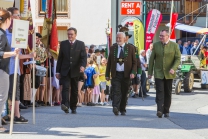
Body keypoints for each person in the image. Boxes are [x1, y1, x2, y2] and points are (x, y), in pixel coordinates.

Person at [148, 29, 181, 118]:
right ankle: (159, 110)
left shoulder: (174, 46)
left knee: (167, 92)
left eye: (162, 36)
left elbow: (178, 59)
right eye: (160, 35)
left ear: (167, 36)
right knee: (159, 91)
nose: (160, 37)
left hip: (169, 73)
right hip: (158, 72)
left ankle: (166, 110)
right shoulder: (156, 45)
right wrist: (150, 72)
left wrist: (173, 68)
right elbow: (151, 60)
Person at [56, 27, 87, 114]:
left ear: (75, 35)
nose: (70, 36)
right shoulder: (63, 44)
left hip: (76, 70)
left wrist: (82, 66)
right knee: (65, 87)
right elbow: (60, 58)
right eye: (68, 34)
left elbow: (83, 57)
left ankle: (73, 106)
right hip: (65, 70)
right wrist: (57, 71)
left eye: (71, 34)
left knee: (74, 89)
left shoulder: (80, 44)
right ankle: (65, 105)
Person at [105, 32, 136, 116]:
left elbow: (134, 62)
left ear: (124, 39)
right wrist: (107, 74)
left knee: (124, 92)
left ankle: (122, 108)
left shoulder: (130, 48)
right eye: (117, 38)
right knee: (116, 91)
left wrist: (133, 72)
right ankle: (115, 107)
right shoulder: (113, 48)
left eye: (120, 38)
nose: (118, 39)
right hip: (116, 74)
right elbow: (109, 62)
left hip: (126, 74)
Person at [0, 9, 20, 133]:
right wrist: (12, 53)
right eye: (10, 20)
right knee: (2, 97)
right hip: (2, 69)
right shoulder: (2, 34)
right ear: (7, 20)